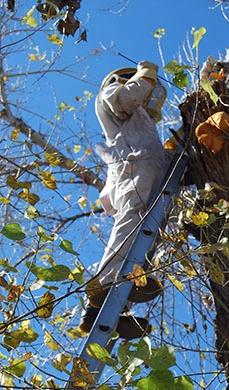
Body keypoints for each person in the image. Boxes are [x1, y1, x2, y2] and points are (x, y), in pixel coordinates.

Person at [80, 61, 168, 339]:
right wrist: (147, 74)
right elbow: (127, 97)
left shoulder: (138, 122)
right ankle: (105, 284)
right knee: (133, 220)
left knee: (146, 237)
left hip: (141, 166)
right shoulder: (110, 93)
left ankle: (114, 312)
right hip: (135, 165)